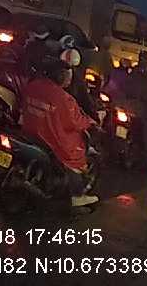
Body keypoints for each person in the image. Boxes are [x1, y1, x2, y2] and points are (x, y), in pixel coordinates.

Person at [19, 50, 97, 208]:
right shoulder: (64, 98)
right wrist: (90, 122)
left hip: (30, 130)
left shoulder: (34, 85)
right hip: (50, 136)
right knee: (75, 153)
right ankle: (76, 196)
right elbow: (75, 122)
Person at [123, 51, 147, 162]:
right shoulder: (135, 72)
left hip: (142, 111)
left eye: (144, 59)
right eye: (141, 59)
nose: (142, 62)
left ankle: (145, 155)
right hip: (133, 109)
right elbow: (127, 86)